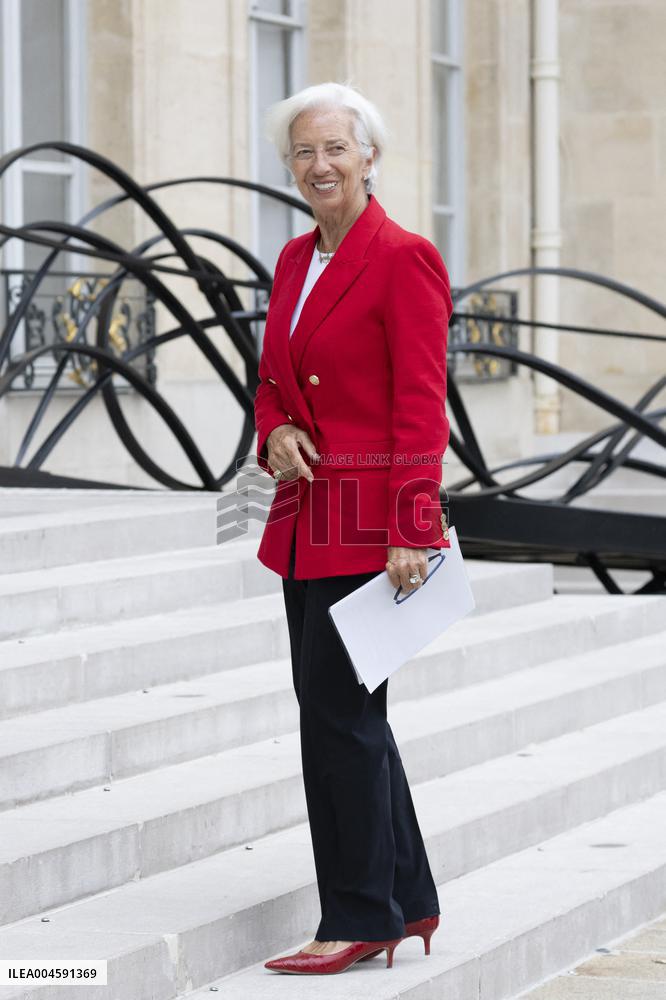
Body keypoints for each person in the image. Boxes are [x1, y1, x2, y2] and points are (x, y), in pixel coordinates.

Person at [253, 81, 453, 976]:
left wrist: (413, 526)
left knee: (339, 722)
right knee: (347, 715)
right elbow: (271, 382)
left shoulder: (404, 258)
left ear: (370, 154)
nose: (319, 165)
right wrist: (276, 432)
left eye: (336, 147)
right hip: (306, 523)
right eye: (303, 151)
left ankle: (357, 915)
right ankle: (407, 901)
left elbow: (422, 405)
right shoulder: (296, 260)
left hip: (373, 532)